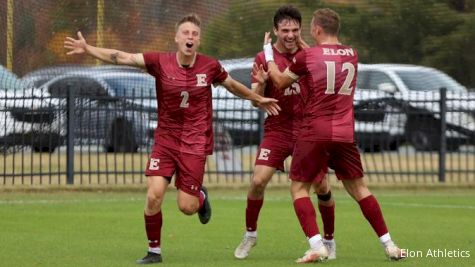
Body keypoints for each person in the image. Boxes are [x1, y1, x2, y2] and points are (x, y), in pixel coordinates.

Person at [64, 13, 280, 264]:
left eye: (195, 34)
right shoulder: (160, 62)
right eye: (186, 33)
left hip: (195, 142)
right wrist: (88, 48)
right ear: (176, 38)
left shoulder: (210, 66)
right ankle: (153, 251)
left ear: (198, 41)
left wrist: (258, 98)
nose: (190, 37)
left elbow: (231, 85)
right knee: (154, 194)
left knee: (187, 207)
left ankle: (200, 196)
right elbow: (121, 56)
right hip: (165, 140)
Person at [261, 8, 405, 263]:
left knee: (299, 188)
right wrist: (308, 49)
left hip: (315, 131)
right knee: (360, 189)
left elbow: (281, 82)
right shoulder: (352, 54)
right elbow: (324, 58)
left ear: (316, 29)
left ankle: (317, 245)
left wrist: (269, 55)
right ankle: (390, 245)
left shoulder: (307, 56)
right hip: (344, 133)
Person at [233, 5, 336, 261]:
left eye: (295, 30)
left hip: (307, 129)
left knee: (322, 185)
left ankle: (330, 240)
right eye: (285, 30)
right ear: (276, 30)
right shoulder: (263, 58)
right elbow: (255, 99)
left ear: (301, 30)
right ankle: (250, 234)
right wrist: (259, 85)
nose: (290, 35)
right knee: (258, 181)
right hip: (277, 129)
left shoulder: (312, 55)